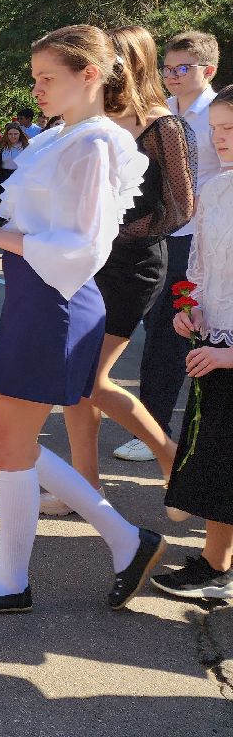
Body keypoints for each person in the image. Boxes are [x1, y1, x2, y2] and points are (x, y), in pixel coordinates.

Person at [0, 25, 164, 615]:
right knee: (2, 435)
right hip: (35, 300)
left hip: (57, 302)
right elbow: (44, 231)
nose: (37, 88)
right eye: (35, 77)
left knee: (8, 439)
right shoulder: (62, 137)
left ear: (90, 76)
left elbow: (84, 245)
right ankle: (124, 540)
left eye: (48, 77)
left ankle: (12, 577)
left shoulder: (93, 144)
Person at [46, 26, 195, 513]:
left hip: (132, 268)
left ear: (131, 63)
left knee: (88, 379)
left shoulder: (162, 126)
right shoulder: (92, 122)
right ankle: (85, 488)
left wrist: (108, 235)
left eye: (113, 57)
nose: (104, 65)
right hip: (82, 266)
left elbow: (181, 208)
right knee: (74, 385)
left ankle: (172, 459)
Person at [121, 30, 221, 463]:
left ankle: (156, 431)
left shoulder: (218, 113)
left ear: (208, 70)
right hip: (165, 235)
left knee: (174, 334)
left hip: (203, 243)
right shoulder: (160, 113)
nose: (172, 76)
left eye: (183, 68)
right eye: (167, 68)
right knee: (162, 332)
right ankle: (159, 427)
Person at [155, 85, 233, 599]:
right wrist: (191, 307)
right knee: (216, 460)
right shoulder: (218, 190)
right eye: (215, 130)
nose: (219, 140)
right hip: (215, 342)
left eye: (231, 130)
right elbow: (202, 265)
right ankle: (215, 562)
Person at [0, 122, 29, 219]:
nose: (13, 136)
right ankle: (1, 221)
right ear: (6, 135)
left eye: (15, 134)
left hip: (20, 177)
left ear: (20, 134)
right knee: (3, 202)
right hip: (3, 177)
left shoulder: (27, 147)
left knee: (17, 203)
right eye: (10, 134)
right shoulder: (0, 148)